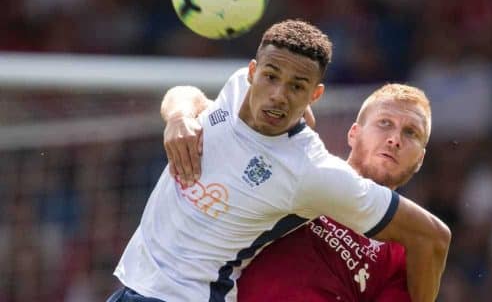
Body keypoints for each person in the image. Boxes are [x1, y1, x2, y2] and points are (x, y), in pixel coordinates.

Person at [109, 20, 450, 302]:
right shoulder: (234, 90)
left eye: (297, 87)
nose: (278, 95)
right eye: (271, 77)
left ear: (314, 95)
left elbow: (433, 237)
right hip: (131, 287)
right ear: (252, 73)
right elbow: (187, 94)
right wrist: (178, 116)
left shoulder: (311, 172)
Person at [164, 82, 437, 301]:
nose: (394, 139)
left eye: (411, 133)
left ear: (421, 159)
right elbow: (189, 95)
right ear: (354, 133)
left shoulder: (407, 249)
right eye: (385, 123)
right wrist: (179, 117)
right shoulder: (299, 170)